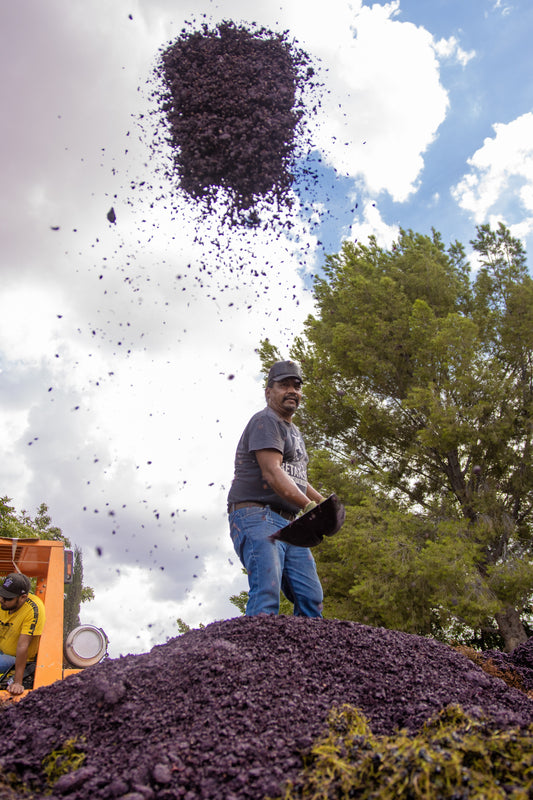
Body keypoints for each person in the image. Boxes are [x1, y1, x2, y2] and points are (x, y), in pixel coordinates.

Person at [228, 360, 325, 616]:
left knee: (311, 597)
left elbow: (297, 478)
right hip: (256, 515)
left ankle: (309, 654)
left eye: (296, 386)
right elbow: (272, 472)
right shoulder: (265, 421)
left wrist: (323, 503)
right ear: (268, 391)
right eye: (284, 385)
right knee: (266, 592)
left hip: (289, 524)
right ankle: (253, 654)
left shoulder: (293, 431)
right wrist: (310, 507)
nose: (292, 390)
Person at [0, 572, 45, 695]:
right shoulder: (3, 603)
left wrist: (17, 682)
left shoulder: (33, 609)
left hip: (16, 658)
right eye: (1, 595)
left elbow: (22, 646)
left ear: (23, 597)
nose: (2, 600)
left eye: (7, 598)